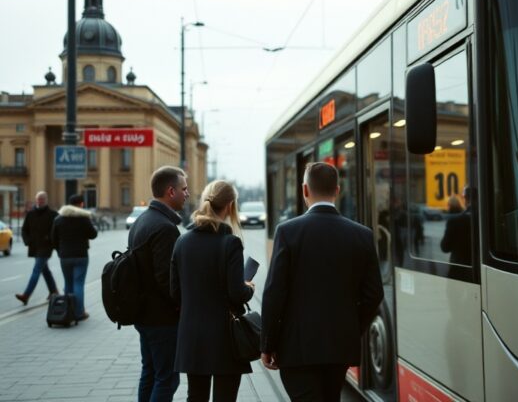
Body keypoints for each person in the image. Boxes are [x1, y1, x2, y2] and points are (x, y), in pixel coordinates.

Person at [261, 162, 384, 401]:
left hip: (297, 347)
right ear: (337, 190)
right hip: (339, 346)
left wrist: (267, 343)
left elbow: (274, 293)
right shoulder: (362, 234)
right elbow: (373, 294)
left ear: (305, 190)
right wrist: (350, 326)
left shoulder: (288, 231)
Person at [171, 180, 255, 402]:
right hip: (224, 337)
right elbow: (236, 293)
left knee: (195, 397)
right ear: (229, 205)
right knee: (225, 397)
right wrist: (248, 288)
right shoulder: (230, 243)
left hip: (192, 335)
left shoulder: (182, 241)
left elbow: (174, 291)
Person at [128, 166, 189, 402]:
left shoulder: (142, 221)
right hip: (161, 318)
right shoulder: (164, 228)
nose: (187, 194)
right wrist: (181, 304)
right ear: (170, 191)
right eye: (184, 189)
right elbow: (168, 280)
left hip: (144, 313)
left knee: (151, 373)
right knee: (167, 378)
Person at [51, 194, 98, 320]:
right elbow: (93, 235)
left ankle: (67, 311)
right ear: (81, 204)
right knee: (78, 284)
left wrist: (60, 251)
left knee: (68, 283)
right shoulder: (84, 218)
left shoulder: (59, 219)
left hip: (65, 256)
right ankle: (79, 313)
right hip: (81, 255)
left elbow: (53, 239)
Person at [15, 191, 59, 305]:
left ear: (46, 200)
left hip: (46, 247)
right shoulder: (31, 214)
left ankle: (26, 295)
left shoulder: (53, 214)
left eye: (42, 200)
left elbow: (57, 231)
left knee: (36, 270)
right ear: (36, 200)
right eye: (38, 200)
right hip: (34, 247)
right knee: (45, 270)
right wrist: (27, 241)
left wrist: (51, 240)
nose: (40, 201)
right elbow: (24, 229)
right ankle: (54, 291)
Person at [440, 186, 473, 265]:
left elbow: (445, 247)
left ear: (465, 198)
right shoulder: (484, 216)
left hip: (459, 265)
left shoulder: (454, 220)